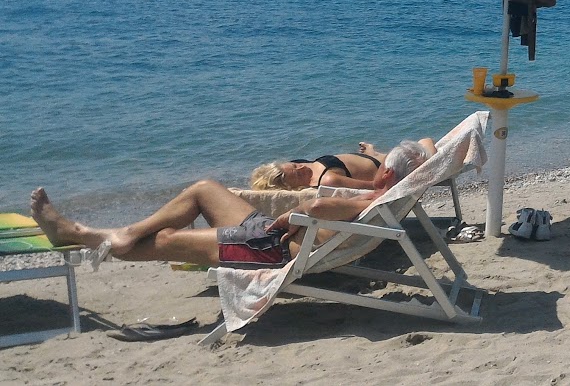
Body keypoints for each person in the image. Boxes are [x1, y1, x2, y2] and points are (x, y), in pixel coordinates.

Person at [30, 141, 429, 270]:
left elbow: (323, 210)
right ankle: (124, 234)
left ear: (390, 175)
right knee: (205, 188)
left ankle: (81, 235)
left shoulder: (376, 196)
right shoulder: (388, 195)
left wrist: (299, 211)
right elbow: (428, 147)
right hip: (276, 237)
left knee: (169, 239)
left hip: (275, 249)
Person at [250, 137, 438, 191]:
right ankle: (374, 153)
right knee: (426, 141)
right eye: (298, 174)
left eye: (294, 165)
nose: (301, 167)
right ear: (295, 187)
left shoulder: (298, 166)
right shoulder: (327, 180)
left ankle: (372, 151)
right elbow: (374, 186)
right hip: (389, 166)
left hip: (375, 161)